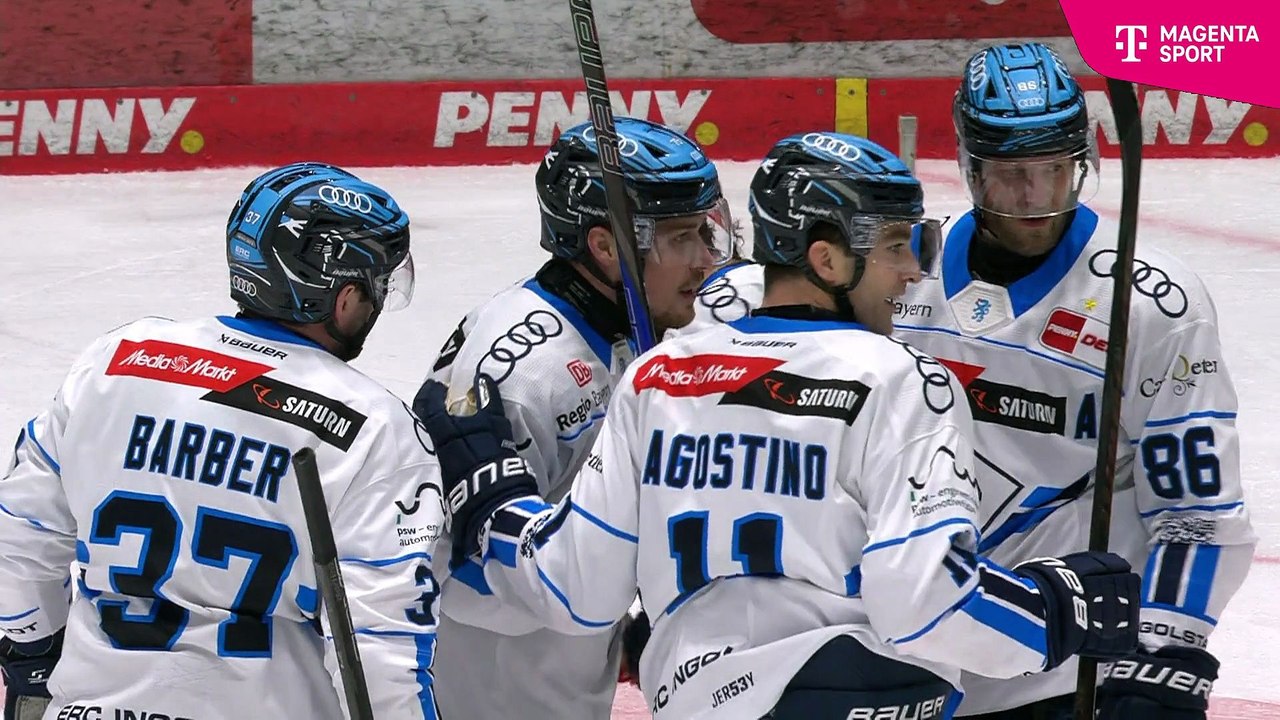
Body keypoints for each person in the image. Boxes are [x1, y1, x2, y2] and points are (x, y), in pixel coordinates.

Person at [414, 132, 1142, 720]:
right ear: (826, 258)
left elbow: (575, 588)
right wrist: (1059, 606)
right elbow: (926, 605)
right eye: (896, 247)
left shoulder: (658, 375)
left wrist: (492, 494)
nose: (915, 273)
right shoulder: (901, 380)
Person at [890, 43, 1256, 719]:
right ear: (971, 168)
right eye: (1011, 175)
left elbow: (1196, 513)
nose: (1035, 198)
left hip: (1068, 673)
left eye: (1055, 171)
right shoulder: (901, 273)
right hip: (911, 664)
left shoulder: (1149, 304)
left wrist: (1164, 656)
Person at [0, 162, 443, 719]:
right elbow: (382, 657)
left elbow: (19, 538)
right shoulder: (375, 429)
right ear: (344, 295)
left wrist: (34, 651)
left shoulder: (117, 361)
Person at [421, 117, 735, 720]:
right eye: (682, 238)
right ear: (605, 246)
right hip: (498, 695)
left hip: (568, 672)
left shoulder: (634, 329)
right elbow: (450, 568)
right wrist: (594, 590)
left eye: (706, 230)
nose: (705, 260)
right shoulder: (522, 373)